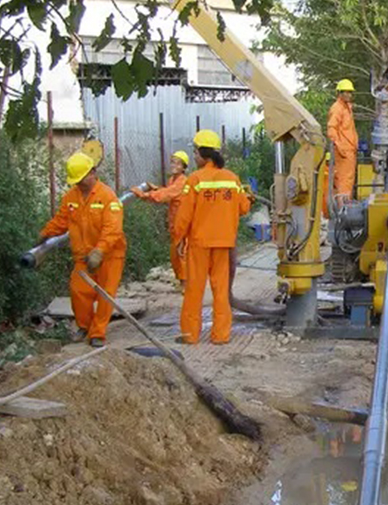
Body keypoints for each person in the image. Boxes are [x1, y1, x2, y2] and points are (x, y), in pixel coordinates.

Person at [39, 150, 126, 347]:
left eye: (82, 178)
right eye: (76, 180)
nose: (79, 183)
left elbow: (113, 229)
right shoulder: (71, 197)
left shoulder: (108, 197)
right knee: (78, 291)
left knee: (105, 295)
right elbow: (61, 220)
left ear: (93, 172)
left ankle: (98, 333)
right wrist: (45, 234)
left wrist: (99, 251)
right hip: (83, 256)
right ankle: (84, 326)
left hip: (110, 256)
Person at [173, 130, 250, 345]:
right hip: (224, 243)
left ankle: (190, 335)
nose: (194, 156)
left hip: (199, 243)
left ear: (202, 154)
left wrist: (178, 239)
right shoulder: (232, 179)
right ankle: (221, 335)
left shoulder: (194, 180)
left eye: (195, 152)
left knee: (194, 291)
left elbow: (183, 216)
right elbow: (244, 207)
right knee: (221, 290)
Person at [131, 150, 189, 287]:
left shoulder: (182, 182)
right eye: (172, 162)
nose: (174, 165)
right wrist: (156, 188)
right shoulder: (173, 180)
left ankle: (186, 285)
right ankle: (182, 282)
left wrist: (144, 195)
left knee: (182, 254)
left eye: (177, 163)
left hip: (182, 223)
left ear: (184, 167)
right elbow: (169, 191)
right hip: (175, 224)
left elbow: (167, 195)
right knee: (176, 255)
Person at [327, 78, 358, 201]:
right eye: (346, 92)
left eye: (350, 92)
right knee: (344, 181)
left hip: (349, 150)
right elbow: (331, 129)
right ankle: (342, 210)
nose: (349, 94)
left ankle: (345, 206)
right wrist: (339, 147)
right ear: (339, 93)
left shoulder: (347, 108)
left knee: (348, 180)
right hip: (344, 151)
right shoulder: (337, 108)